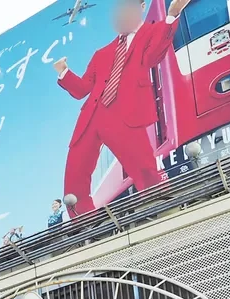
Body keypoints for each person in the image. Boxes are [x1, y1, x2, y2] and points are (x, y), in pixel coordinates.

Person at [53, 0, 194, 218]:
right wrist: (64, 72)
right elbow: (82, 89)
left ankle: (164, 206)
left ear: (142, 7)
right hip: (92, 115)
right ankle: (83, 223)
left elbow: (154, 55)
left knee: (144, 168)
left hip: (125, 113)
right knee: (74, 176)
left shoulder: (151, 32)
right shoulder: (102, 53)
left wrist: (173, 14)